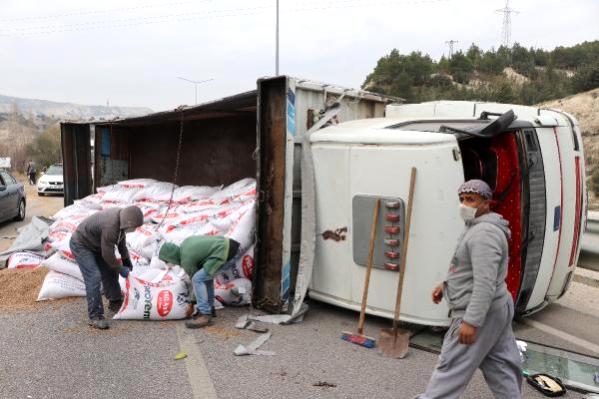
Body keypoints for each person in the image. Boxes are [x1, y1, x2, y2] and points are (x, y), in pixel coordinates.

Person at [415, 179, 522, 399]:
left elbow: (484, 283)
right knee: (500, 365)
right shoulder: (476, 227)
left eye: (471, 200)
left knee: (451, 368)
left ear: (486, 203)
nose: (464, 205)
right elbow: (468, 270)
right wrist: (445, 286)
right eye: (462, 199)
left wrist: (471, 322)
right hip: (495, 309)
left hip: (478, 312)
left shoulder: (484, 234)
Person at [70, 206, 144, 330]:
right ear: (128, 223)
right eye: (135, 227)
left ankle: (115, 301)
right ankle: (95, 316)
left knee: (110, 270)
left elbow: (121, 242)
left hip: (97, 244)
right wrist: (120, 269)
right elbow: (107, 255)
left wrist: (126, 260)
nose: (135, 229)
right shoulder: (111, 226)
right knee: (94, 277)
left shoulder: (121, 221)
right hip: (81, 244)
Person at [159, 235, 240, 329]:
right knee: (205, 278)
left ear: (171, 255)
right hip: (229, 246)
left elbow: (195, 282)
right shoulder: (185, 245)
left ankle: (205, 315)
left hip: (224, 252)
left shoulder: (186, 260)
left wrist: (192, 304)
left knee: (197, 279)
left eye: (166, 260)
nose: (167, 264)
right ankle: (210, 309)